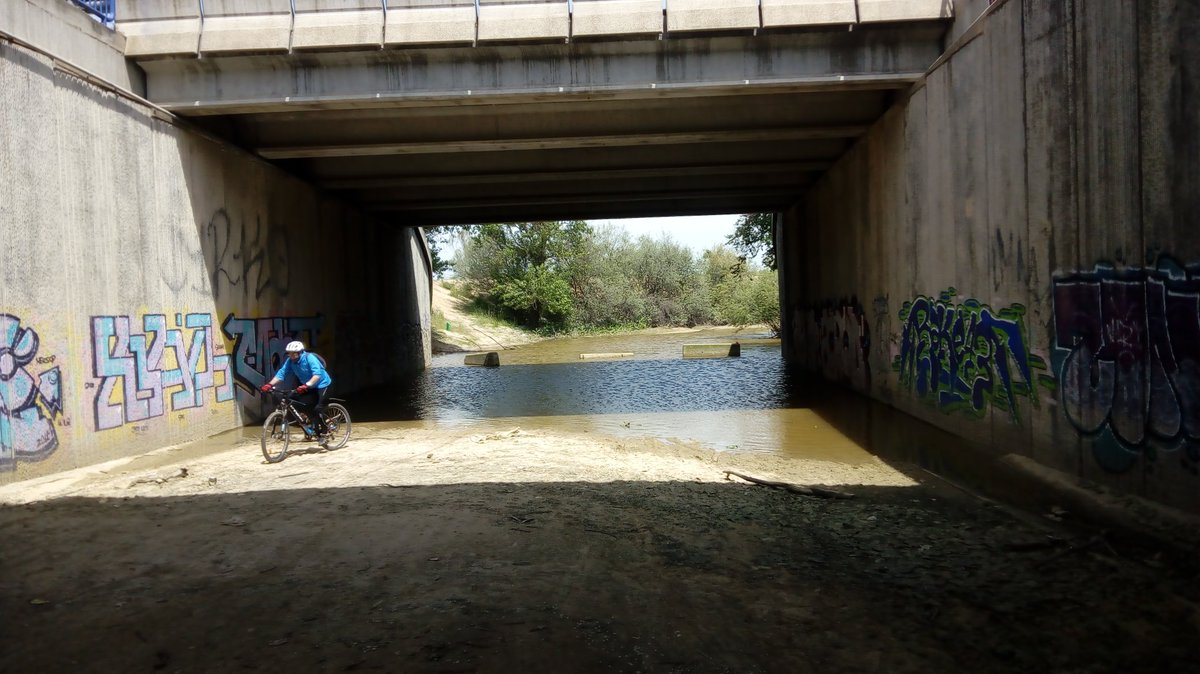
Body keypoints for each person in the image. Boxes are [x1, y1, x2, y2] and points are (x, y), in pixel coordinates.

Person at [260, 340, 333, 444]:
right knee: (297, 403)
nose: (292, 356)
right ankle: (309, 427)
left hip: (322, 384)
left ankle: (324, 433)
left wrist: (306, 385)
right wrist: (269, 384)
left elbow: (317, 375)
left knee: (317, 409)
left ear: (300, 352)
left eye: (294, 353)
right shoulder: (290, 361)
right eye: (289, 353)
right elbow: (281, 373)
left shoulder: (309, 358)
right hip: (308, 386)